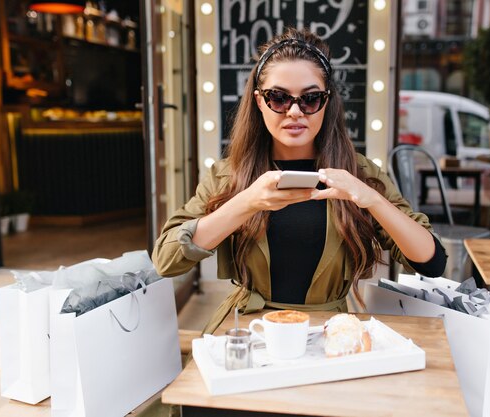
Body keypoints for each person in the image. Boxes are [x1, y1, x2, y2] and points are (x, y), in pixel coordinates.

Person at [152, 28, 447, 333]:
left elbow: (432, 261)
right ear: (259, 101)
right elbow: (166, 260)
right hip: (251, 330)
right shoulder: (229, 174)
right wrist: (247, 202)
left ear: (326, 101)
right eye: (278, 98)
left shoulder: (357, 174)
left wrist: (371, 199)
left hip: (329, 332)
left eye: (310, 99)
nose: (294, 112)